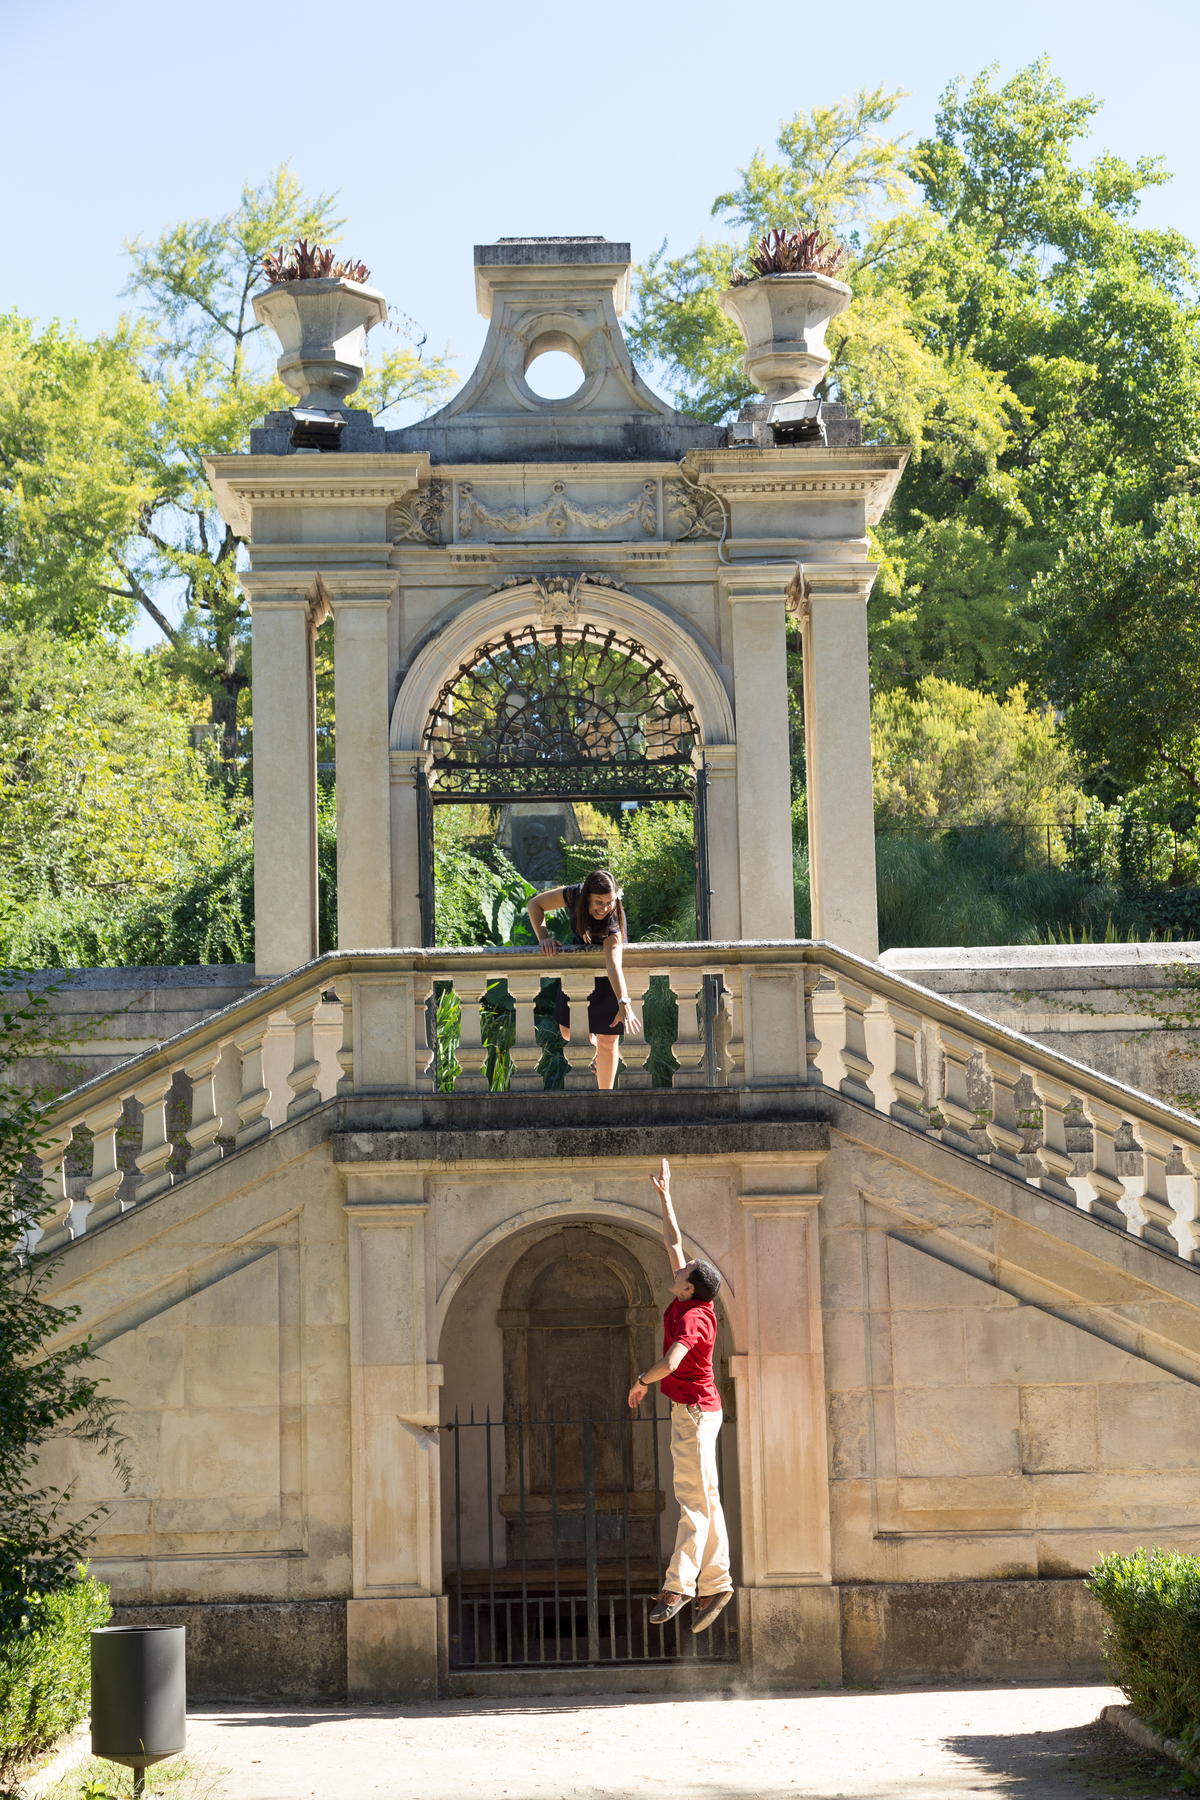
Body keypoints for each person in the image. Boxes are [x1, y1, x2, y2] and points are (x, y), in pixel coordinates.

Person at [627, 1157, 733, 1633]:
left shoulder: (692, 1317)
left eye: (684, 1269)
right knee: (707, 1499)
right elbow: (673, 1240)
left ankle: (679, 1585)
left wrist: (641, 1380)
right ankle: (718, 1581)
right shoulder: (694, 1297)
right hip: (701, 1411)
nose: (679, 1264)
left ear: (688, 1286)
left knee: (693, 1500)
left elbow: (670, 1363)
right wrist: (666, 1196)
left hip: (692, 1414)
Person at [526, 870, 642, 1091]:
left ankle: (605, 1100)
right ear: (586, 894)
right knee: (568, 1031)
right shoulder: (574, 894)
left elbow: (613, 964)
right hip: (579, 968)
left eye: (610, 901)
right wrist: (544, 938)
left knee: (608, 1041)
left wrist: (623, 1002)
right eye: (598, 901)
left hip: (611, 979)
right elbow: (535, 904)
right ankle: (597, 1049)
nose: (604, 907)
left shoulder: (613, 920)